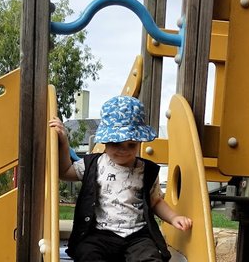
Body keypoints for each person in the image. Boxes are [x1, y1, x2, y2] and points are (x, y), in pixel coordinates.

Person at [50, 95, 192, 262]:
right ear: (105, 141)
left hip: (137, 236)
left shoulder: (147, 170)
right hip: (100, 233)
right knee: (87, 253)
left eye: (131, 145)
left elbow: (156, 202)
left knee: (150, 257)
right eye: (116, 143)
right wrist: (64, 142)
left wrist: (174, 217)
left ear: (139, 142)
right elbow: (65, 171)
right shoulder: (93, 164)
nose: (123, 150)